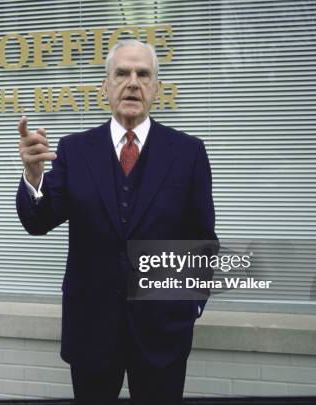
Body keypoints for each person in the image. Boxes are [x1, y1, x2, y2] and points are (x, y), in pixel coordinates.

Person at [16, 39, 217, 404]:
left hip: (163, 332)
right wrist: (33, 176)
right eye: (122, 73)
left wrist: (189, 306)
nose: (133, 82)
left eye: (144, 74)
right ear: (105, 87)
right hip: (91, 330)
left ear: (156, 87)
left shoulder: (188, 152)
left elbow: (203, 239)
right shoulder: (75, 151)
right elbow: (38, 222)